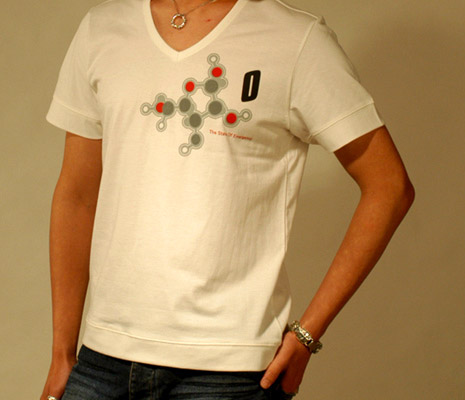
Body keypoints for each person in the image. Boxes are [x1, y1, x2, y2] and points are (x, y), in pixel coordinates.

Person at [40, 0, 414, 398]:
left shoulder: (295, 39)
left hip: (228, 373)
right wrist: (62, 352)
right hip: (102, 361)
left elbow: (389, 186)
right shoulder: (102, 29)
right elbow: (78, 195)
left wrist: (306, 335)